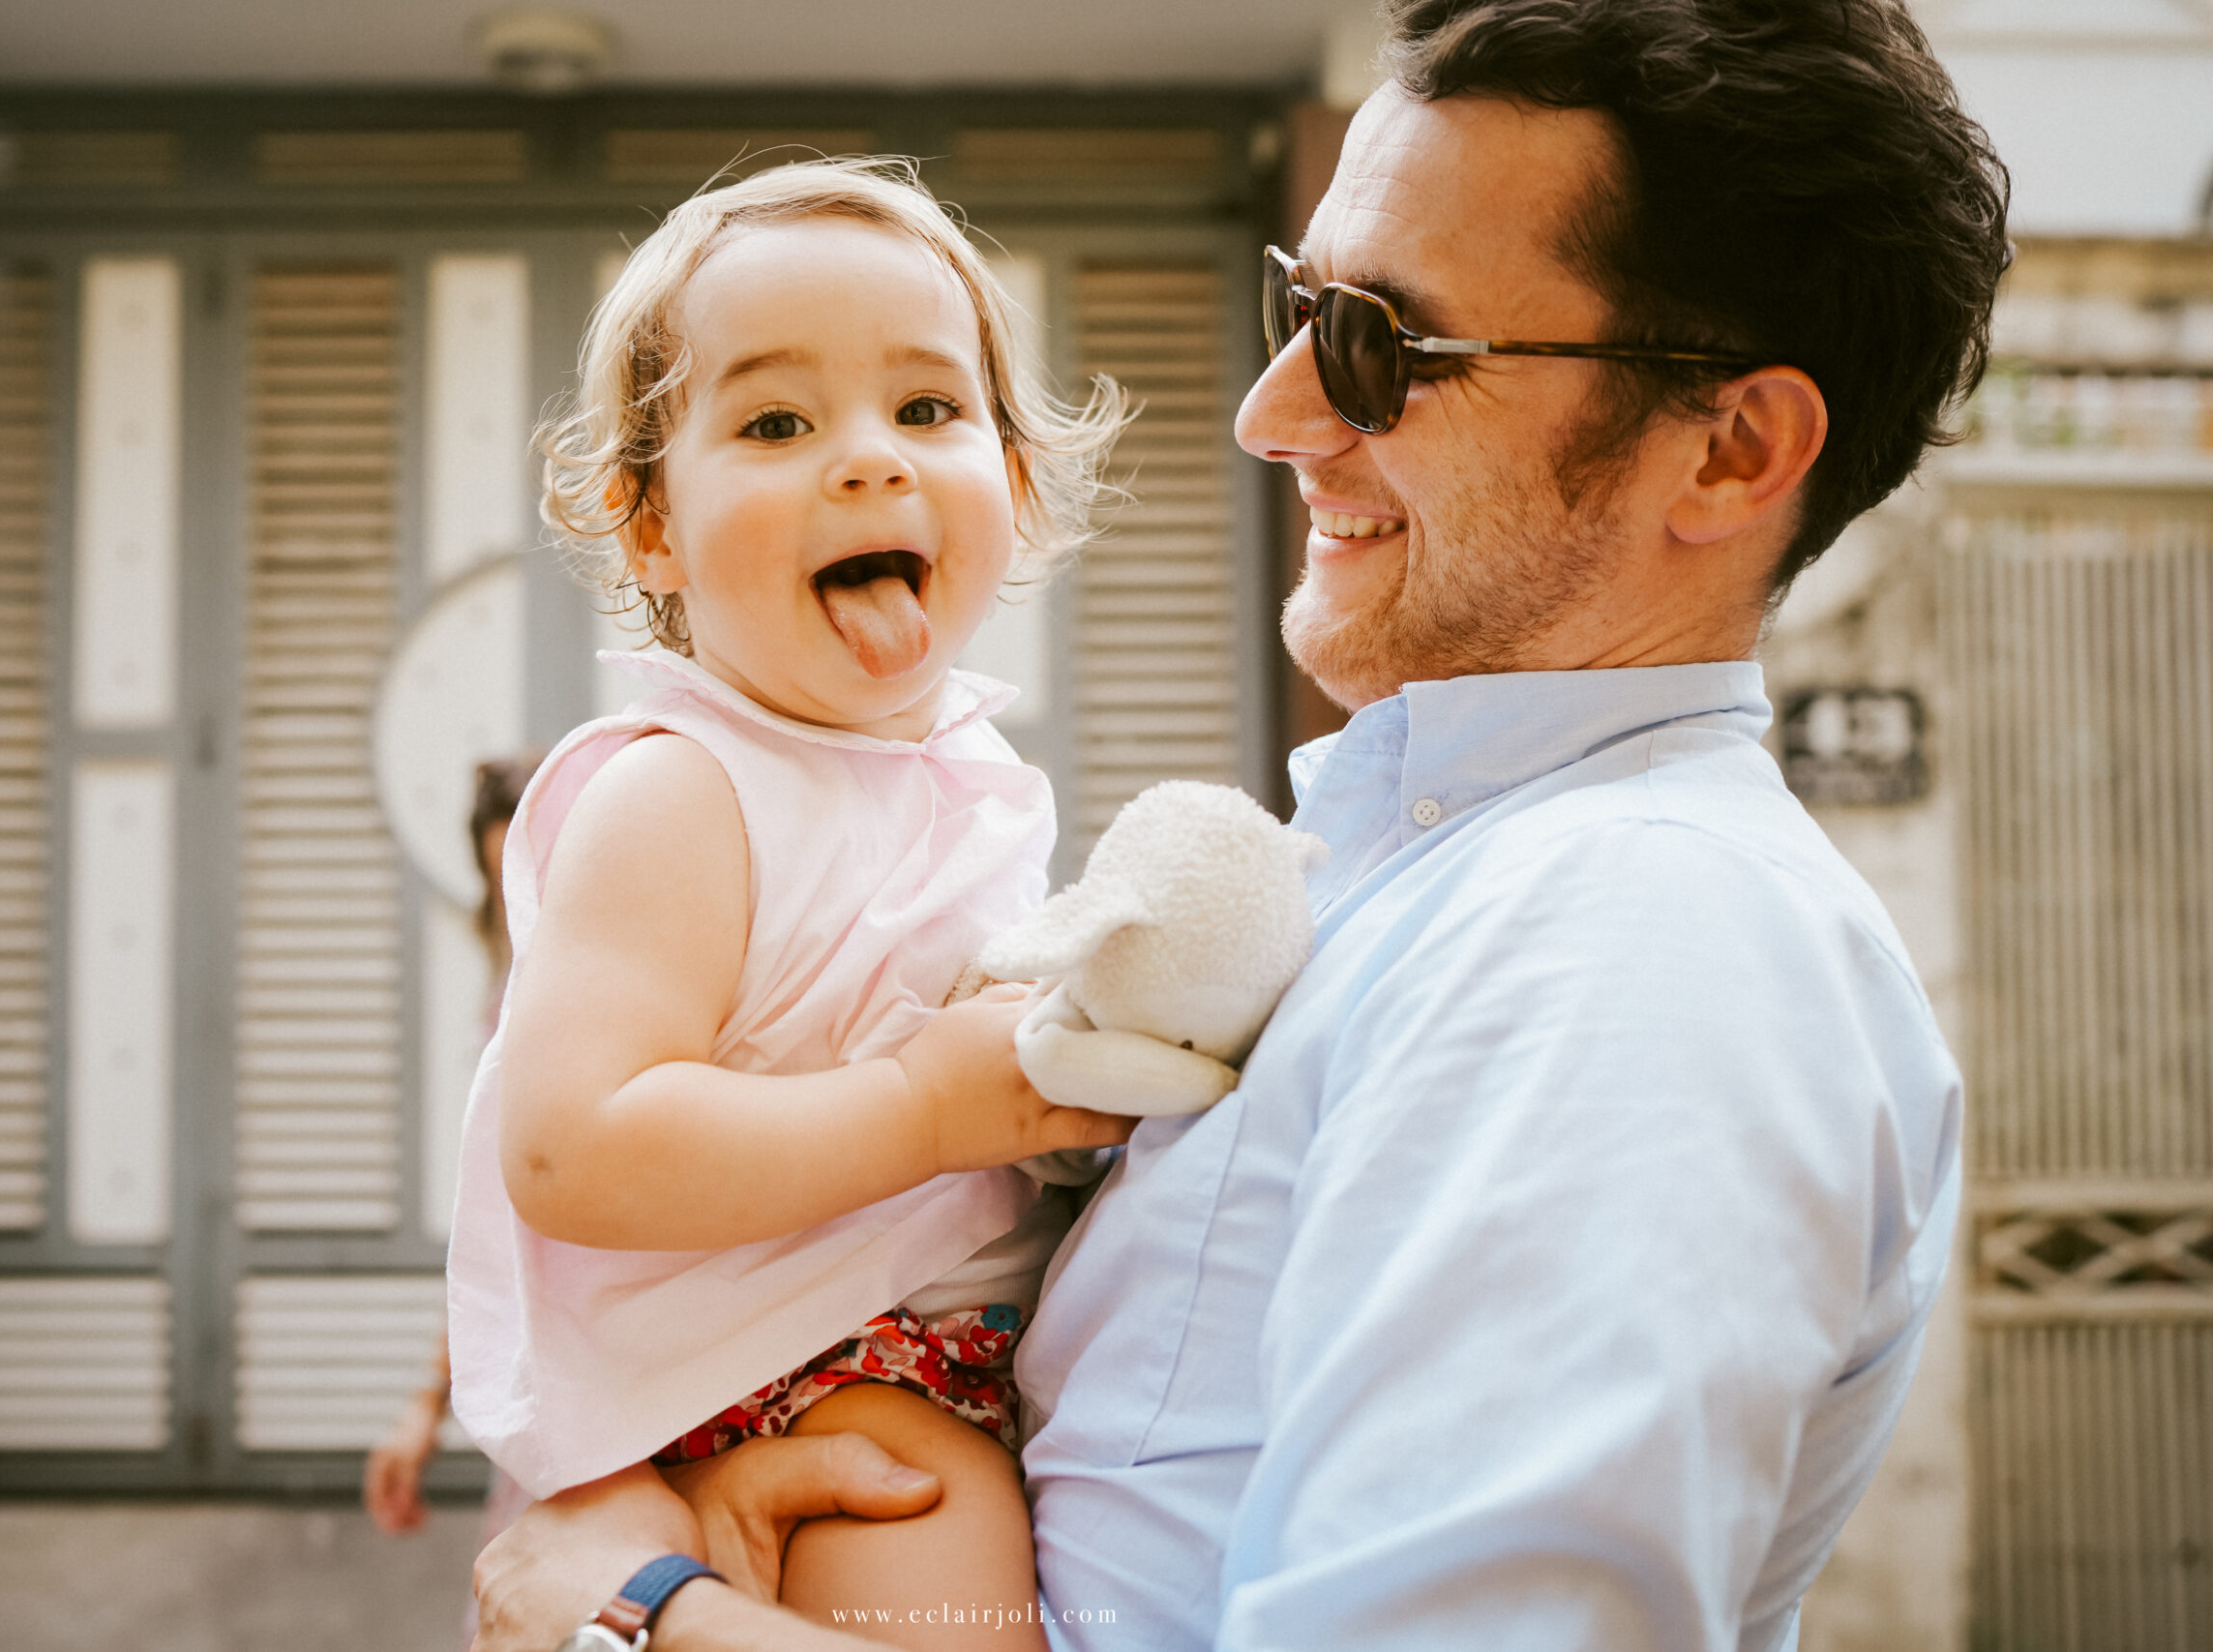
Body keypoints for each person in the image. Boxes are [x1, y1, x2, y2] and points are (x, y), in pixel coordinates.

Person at [464, 2, 2009, 1649]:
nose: (1269, 411)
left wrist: (633, 1617)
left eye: (1382, 345)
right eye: (1300, 307)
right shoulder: (1393, 867)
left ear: (1729, 450)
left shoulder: (1635, 948)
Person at [443, 158, 1134, 1648]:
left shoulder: (967, 780)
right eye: (775, 423)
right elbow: (571, 1147)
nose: (870, 459)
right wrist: (923, 1108)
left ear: (1015, 482)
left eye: (929, 407)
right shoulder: (685, 789)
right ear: (650, 525)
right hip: (802, 1372)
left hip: (926, 1348)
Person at [364, 756, 543, 1540]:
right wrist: (426, 1403)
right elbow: (493, 1219)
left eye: (535, 873)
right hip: (545, 1372)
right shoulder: (513, 993)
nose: (522, 900)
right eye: (501, 881)